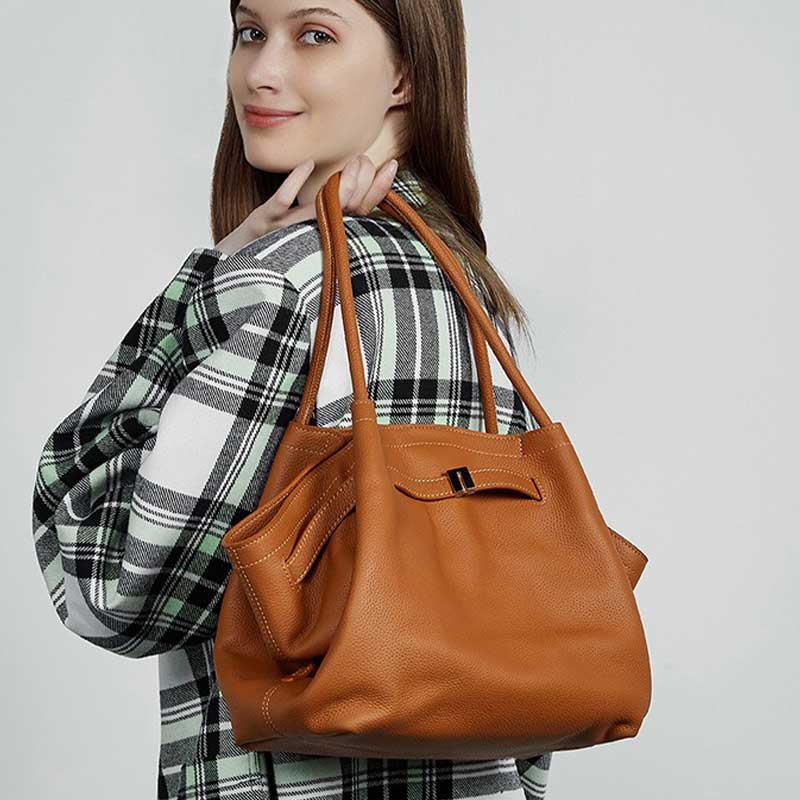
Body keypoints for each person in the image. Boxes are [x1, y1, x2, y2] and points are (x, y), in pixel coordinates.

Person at [30, 1, 552, 798]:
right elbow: (515, 658)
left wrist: (208, 282)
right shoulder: (464, 282)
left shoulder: (282, 283)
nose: (261, 73)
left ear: (406, 72)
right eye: (249, 32)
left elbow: (109, 590)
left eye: (314, 35)